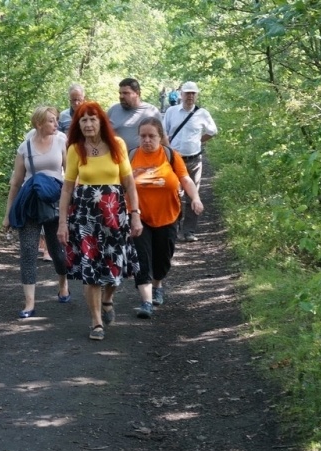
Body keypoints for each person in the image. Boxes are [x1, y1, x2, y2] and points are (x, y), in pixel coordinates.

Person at [57, 101, 143, 341]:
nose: (88, 124)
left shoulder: (118, 145)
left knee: (115, 267)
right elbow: (66, 190)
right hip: (85, 217)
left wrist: (135, 214)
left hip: (114, 215)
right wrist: (62, 223)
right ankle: (95, 322)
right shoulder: (75, 149)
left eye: (92, 119)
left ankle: (108, 298)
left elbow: (128, 184)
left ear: (101, 121)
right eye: (83, 120)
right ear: (78, 124)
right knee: (90, 268)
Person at [128, 117, 203, 318]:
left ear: (161, 137)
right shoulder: (131, 156)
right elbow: (120, 184)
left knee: (163, 257)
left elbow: (185, 179)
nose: (147, 140)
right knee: (142, 258)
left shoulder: (171, 155)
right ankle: (146, 301)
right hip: (138, 217)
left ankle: (157, 284)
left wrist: (195, 197)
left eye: (152, 136)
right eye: (143, 136)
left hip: (168, 216)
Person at [3, 106, 70, 318]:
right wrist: (7, 214)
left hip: (55, 202)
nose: (56, 124)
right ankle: (29, 303)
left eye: (56, 120)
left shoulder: (62, 141)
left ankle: (63, 282)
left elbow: (70, 176)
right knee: (28, 251)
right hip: (31, 203)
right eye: (51, 120)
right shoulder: (25, 147)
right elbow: (15, 183)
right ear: (39, 123)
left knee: (57, 251)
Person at [163, 81, 217, 242]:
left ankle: (189, 231)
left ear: (196, 95)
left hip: (194, 159)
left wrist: (199, 141)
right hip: (174, 160)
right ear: (181, 94)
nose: (190, 96)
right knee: (173, 194)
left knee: (192, 195)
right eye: (187, 93)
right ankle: (173, 227)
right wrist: (168, 150)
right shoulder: (172, 111)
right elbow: (163, 132)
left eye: (193, 93)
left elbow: (212, 131)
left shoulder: (203, 113)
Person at [106, 78, 162, 150]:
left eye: (126, 93)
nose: (121, 96)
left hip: (143, 158)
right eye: (120, 93)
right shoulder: (113, 110)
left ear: (137, 93)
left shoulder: (151, 111)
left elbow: (162, 138)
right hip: (118, 158)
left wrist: (171, 157)